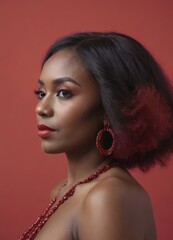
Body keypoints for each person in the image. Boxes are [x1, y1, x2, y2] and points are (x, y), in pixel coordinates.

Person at [20, 32, 173, 240]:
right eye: (41, 93)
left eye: (64, 93)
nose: (41, 108)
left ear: (110, 107)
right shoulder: (63, 192)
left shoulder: (108, 197)